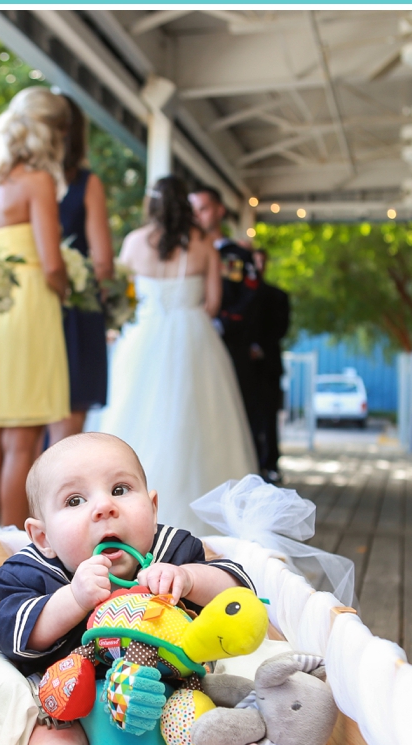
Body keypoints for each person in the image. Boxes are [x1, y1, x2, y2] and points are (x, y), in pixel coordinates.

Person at [0, 432, 254, 745]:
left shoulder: (172, 551)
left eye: (119, 490)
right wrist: (73, 598)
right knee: (50, 738)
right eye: (74, 501)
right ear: (43, 537)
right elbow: (12, 632)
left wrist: (189, 580)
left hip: (172, 698)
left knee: (202, 743)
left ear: (153, 507)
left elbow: (237, 596)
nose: (104, 507)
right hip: (75, 705)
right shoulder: (33, 572)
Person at [99, 176, 257, 531]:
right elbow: (213, 304)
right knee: (200, 425)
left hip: (143, 338)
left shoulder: (135, 242)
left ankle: (129, 515)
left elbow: (121, 297)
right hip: (193, 339)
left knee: (134, 415)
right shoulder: (204, 244)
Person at [0, 87, 71, 527]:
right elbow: (52, 265)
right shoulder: (38, 181)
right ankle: (13, 543)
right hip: (29, 312)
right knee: (22, 444)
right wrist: (70, 287)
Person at [49, 96, 113, 444]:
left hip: (31, 305)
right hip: (76, 311)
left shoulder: (16, 180)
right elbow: (102, 261)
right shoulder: (87, 184)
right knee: (68, 430)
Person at [189, 186, 263, 444]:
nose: (198, 216)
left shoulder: (238, 255)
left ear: (219, 210)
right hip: (190, 343)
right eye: (193, 210)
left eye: (204, 209)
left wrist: (222, 323)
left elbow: (250, 297)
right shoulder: (184, 253)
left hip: (231, 342)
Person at [250, 249, 291, 482]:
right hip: (245, 367)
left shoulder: (278, 296)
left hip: (269, 366)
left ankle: (271, 463)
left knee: (269, 417)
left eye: (262, 261)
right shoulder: (240, 294)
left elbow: (280, 329)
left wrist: (260, 347)